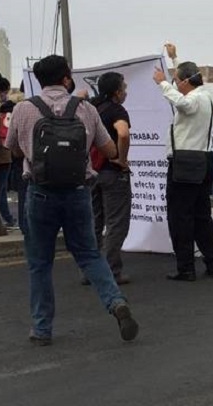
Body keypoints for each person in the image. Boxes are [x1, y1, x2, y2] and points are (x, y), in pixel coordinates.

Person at [5, 55, 139, 345]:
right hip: (78, 192)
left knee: (40, 263)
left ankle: (42, 329)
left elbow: (13, 151)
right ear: (66, 78)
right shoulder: (86, 109)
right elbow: (108, 148)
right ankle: (116, 302)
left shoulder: (23, 109)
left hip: (39, 194)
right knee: (89, 254)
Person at [153, 44, 213, 282]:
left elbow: (183, 102)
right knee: (201, 215)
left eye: (176, 81)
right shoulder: (205, 95)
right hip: (202, 160)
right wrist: (174, 59)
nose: (174, 84)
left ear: (185, 82)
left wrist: (162, 83)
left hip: (185, 162)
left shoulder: (194, 99)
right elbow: (183, 85)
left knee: (180, 216)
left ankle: (186, 267)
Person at [89, 72, 132, 285]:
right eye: (124, 87)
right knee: (116, 223)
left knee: (94, 222)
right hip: (112, 173)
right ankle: (111, 272)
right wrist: (121, 159)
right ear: (117, 92)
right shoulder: (117, 110)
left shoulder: (92, 108)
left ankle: (90, 271)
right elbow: (123, 133)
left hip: (90, 173)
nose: (126, 91)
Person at [0, 75, 16, 230]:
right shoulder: (1, 109)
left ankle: (7, 217)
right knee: (0, 189)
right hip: (3, 154)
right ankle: (5, 218)